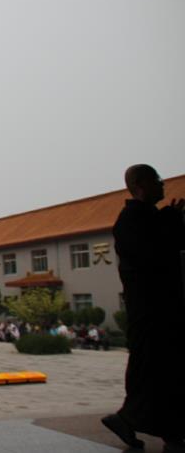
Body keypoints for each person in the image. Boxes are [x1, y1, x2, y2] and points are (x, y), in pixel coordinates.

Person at [102, 164, 185, 450]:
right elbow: (153, 256)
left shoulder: (151, 217)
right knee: (157, 370)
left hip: (166, 309)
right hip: (152, 311)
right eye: (156, 180)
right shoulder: (130, 221)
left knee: (166, 371)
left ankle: (141, 423)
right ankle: (166, 432)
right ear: (138, 184)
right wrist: (172, 222)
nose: (162, 185)